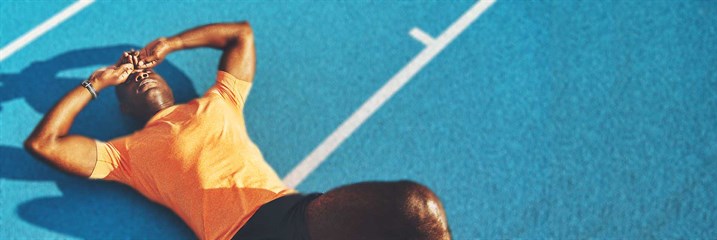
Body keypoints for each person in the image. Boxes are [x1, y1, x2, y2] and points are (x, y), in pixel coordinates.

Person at [25, 22, 451, 240]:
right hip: (239, 235)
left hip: (291, 212)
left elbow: (241, 35)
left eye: (146, 70)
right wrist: (98, 82)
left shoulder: (220, 100)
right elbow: (44, 143)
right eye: (132, 80)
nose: (141, 75)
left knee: (418, 208)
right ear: (123, 106)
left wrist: (171, 44)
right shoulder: (126, 155)